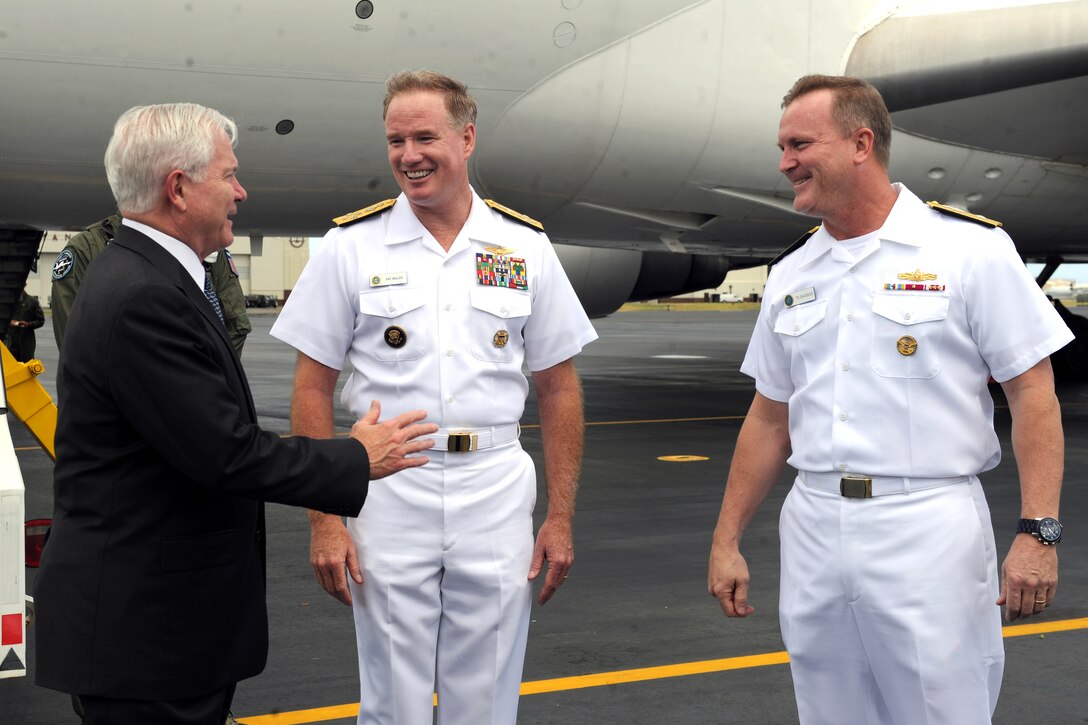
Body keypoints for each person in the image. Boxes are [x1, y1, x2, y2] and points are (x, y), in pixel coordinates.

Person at [33, 102, 438, 725]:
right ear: (178, 188)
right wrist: (356, 456)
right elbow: (225, 452)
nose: (241, 191)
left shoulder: (146, 275)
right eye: (229, 175)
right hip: (146, 635)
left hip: (156, 629)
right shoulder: (144, 296)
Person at [707, 75, 1071, 725]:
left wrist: (1038, 530)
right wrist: (726, 537)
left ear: (860, 143)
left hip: (926, 524)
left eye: (799, 143)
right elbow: (769, 416)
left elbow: (1033, 392)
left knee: (941, 707)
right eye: (781, 146)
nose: (785, 162)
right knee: (828, 707)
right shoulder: (792, 275)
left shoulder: (970, 252)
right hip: (815, 525)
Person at [270, 70, 598, 724]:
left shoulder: (523, 246)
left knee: (487, 694)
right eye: (396, 140)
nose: (409, 155)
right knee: (393, 696)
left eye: (425, 136)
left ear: (467, 137)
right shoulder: (349, 248)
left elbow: (559, 387)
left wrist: (559, 516)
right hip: (392, 483)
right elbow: (312, 385)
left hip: (494, 485)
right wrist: (325, 519)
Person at [52, 213, 252, 354]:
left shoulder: (208, 247)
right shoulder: (88, 248)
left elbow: (236, 326)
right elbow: (77, 347)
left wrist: (202, 381)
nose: (238, 192)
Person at [4, 285, 44, 362]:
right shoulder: (7, 301)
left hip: (27, 341)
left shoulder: (33, 302)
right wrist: (9, 322)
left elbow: (40, 320)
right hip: (10, 341)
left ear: (25, 284)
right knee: (10, 367)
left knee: (27, 366)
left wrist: (28, 324)